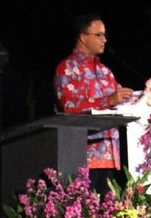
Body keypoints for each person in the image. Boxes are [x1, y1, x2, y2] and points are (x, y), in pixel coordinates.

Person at [53, 13, 134, 193]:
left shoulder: (106, 72)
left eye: (105, 35)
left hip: (109, 156)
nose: (104, 40)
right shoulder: (67, 68)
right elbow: (69, 107)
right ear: (83, 37)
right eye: (99, 35)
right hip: (80, 158)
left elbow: (125, 102)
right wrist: (108, 100)